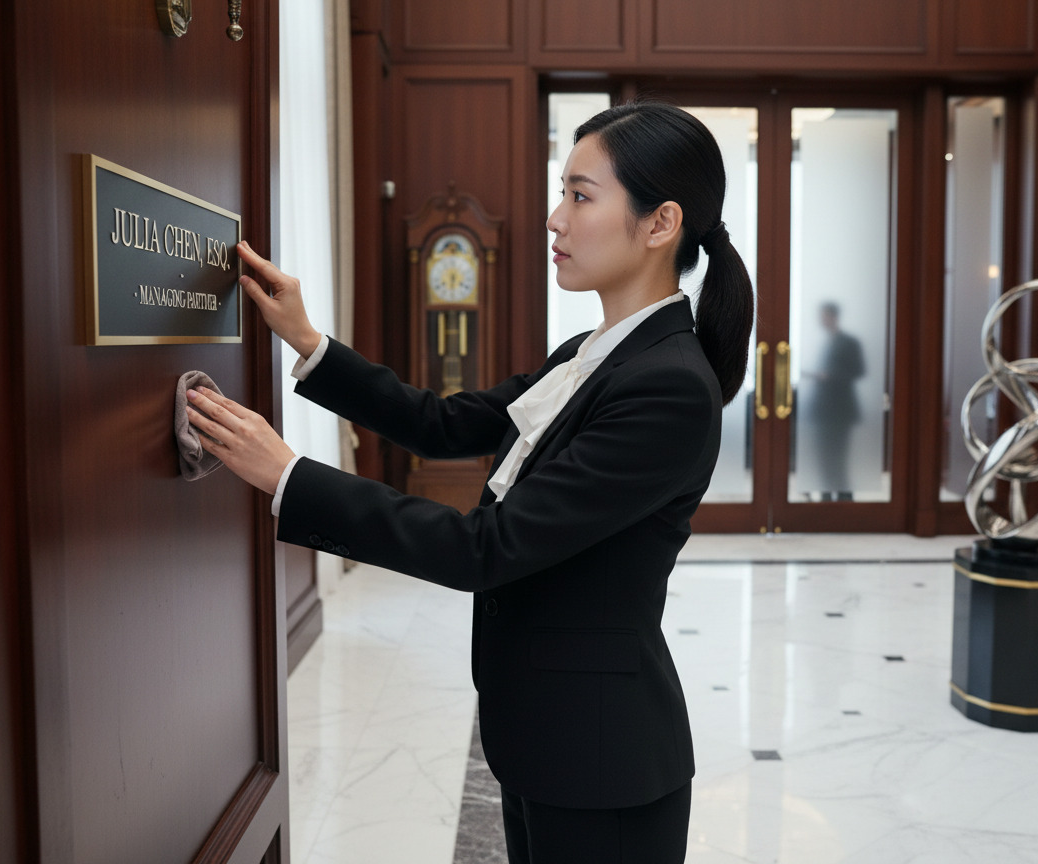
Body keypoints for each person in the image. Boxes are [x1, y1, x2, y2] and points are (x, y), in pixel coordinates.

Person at [185, 102, 754, 864]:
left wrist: (290, 476)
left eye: (581, 196)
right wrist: (308, 340)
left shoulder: (667, 387)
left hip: (602, 761)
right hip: (546, 738)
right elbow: (444, 425)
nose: (555, 219)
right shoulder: (589, 353)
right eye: (563, 192)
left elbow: (488, 548)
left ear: (660, 225)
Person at [803, 302, 865, 501]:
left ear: (833, 316)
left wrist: (827, 376)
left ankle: (844, 503)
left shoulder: (849, 342)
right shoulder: (826, 342)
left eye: (824, 316)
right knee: (824, 461)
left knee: (838, 459)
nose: (821, 320)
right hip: (821, 410)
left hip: (840, 411)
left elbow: (858, 371)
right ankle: (826, 501)